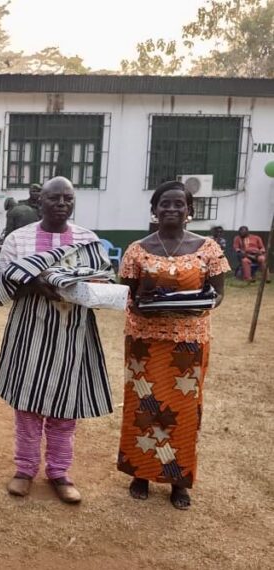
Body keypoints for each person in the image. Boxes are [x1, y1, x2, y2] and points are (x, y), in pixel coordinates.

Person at [0, 176, 114, 505]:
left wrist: (79, 284)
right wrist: (36, 282)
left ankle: (60, 472)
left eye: (68, 199)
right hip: (30, 328)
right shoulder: (19, 239)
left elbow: (103, 279)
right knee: (27, 404)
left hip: (73, 330)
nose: (62, 204)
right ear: (39, 202)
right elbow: (3, 281)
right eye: (54, 198)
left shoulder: (87, 239)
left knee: (66, 405)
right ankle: (25, 470)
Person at [118, 180, 229, 509]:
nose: (170, 209)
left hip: (188, 343)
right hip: (145, 342)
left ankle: (178, 480)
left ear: (189, 211)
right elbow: (128, 293)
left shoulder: (207, 248)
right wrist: (140, 303)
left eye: (178, 204)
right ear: (154, 210)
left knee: (182, 412)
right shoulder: (137, 249)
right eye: (164, 203)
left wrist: (203, 303)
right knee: (144, 409)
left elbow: (219, 292)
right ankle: (141, 472)